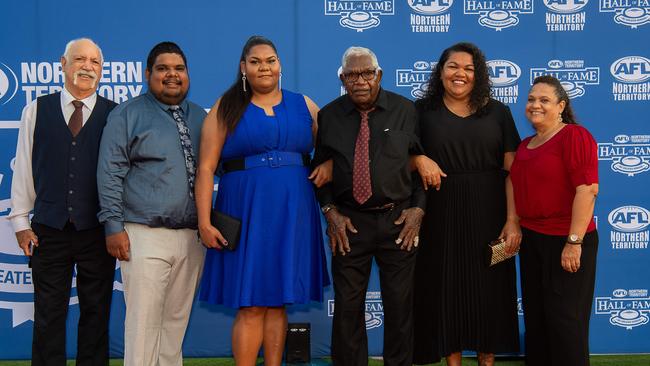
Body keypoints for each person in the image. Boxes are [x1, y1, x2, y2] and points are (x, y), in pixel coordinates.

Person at [196, 35, 329, 366]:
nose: (264, 67)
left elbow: (333, 146)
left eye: (270, 60)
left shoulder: (305, 105)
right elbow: (205, 168)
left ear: (280, 65)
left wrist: (327, 162)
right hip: (245, 210)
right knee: (252, 303)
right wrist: (204, 221)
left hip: (293, 212)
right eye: (255, 61)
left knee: (278, 301)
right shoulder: (225, 107)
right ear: (243, 67)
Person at [312, 46, 425, 366]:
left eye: (366, 73)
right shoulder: (329, 116)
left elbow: (420, 166)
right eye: (351, 75)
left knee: (400, 306)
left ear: (380, 75)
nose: (359, 80)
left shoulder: (406, 110)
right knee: (347, 308)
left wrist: (418, 210)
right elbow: (320, 173)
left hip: (398, 221)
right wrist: (330, 212)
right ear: (342, 78)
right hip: (348, 224)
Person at [8, 38, 117, 365]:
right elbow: (24, 168)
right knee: (48, 316)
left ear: (101, 70)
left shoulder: (115, 115)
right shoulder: (35, 109)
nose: (87, 66)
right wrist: (20, 223)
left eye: (95, 62)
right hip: (48, 230)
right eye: (80, 59)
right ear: (63, 64)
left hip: (97, 231)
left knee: (97, 314)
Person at [97, 41, 206, 366]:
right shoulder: (127, 114)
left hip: (192, 237)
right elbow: (109, 172)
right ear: (148, 74)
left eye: (179, 69)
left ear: (187, 74)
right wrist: (113, 227)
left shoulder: (201, 117)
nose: (172, 75)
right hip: (143, 234)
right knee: (143, 327)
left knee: (174, 326)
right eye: (163, 69)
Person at [412, 42, 521, 366]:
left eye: (468, 68)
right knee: (446, 287)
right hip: (440, 213)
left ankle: (487, 360)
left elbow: (513, 172)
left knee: (490, 288)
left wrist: (513, 219)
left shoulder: (499, 112)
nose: (460, 73)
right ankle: (453, 361)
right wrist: (418, 157)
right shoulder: (421, 111)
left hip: (491, 212)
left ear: (479, 75)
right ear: (440, 71)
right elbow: (401, 157)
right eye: (453, 66)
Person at [510, 75, 599, 366]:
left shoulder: (574, 136)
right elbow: (512, 182)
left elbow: (587, 190)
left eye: (544, 100)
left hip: (567, 239)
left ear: (561, 105)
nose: (535, 104)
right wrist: (513, 221)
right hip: (533, 239)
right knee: (537, 321)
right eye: (531, 99)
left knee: (565, 322)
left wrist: (574, 242)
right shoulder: (525, 145)